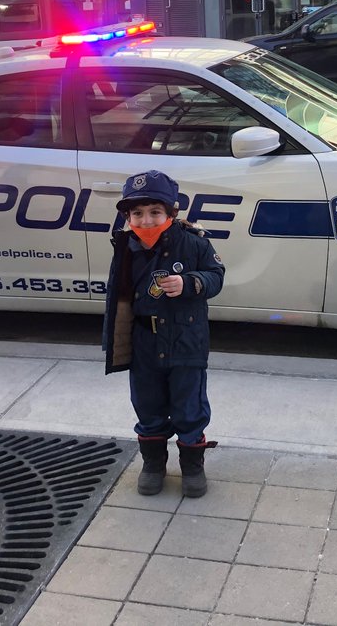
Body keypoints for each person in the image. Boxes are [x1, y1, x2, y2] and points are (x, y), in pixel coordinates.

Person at [102, 170, 225, 497]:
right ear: (127, 217)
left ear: (172, 212)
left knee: (190, 407)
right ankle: (153, 464)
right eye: (137, 214)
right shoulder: (126, 246)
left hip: (186, 344)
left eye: (155, 212)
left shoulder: (194, 242)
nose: (146, 221)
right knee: (148, 405)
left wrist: (191, 283)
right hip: (144, 345)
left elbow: (216, 276)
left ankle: (192, 466)